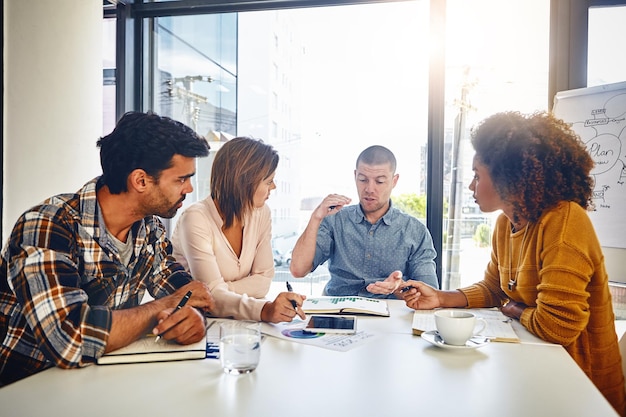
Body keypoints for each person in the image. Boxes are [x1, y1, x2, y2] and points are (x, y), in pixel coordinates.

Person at [394, 111, 626, 416]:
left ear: (507, 177)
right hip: (535, 370)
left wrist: (514, 309)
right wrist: (440, 298)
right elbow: (494, 288)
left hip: (580, 387)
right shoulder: (506, 224)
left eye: (477, 175)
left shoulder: (565, 221)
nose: (470, 186)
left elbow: (556, 326)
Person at [0, 111, 216, 386]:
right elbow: (70, 339)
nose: (188, 188)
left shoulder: (148, 228)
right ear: (140, 181)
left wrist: (190, 316)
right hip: (26, 389)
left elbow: (187, 293)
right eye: (181, 179)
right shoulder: (48, 225)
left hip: (101, 383)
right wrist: (163, 309)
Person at [170, 137, 306, 323]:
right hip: (192, 324)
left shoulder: (261, 213)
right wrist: (264, 309)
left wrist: (221, 291)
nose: (273, 187)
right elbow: (211, 298)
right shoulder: (195, 218)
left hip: (236, 322)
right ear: (245, 182)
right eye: (268, 181)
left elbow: (264, 281)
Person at [289, 145, 439, 298]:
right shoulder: (335, 220)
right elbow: (298, 270)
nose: (369, 189)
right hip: (337, 312)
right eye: (363, 179)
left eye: (379, 182)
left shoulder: (415, 230)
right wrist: (316, 217)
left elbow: (429, 294)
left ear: (394, 181)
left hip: (390, 314)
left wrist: (399, 288)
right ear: (355, 176)